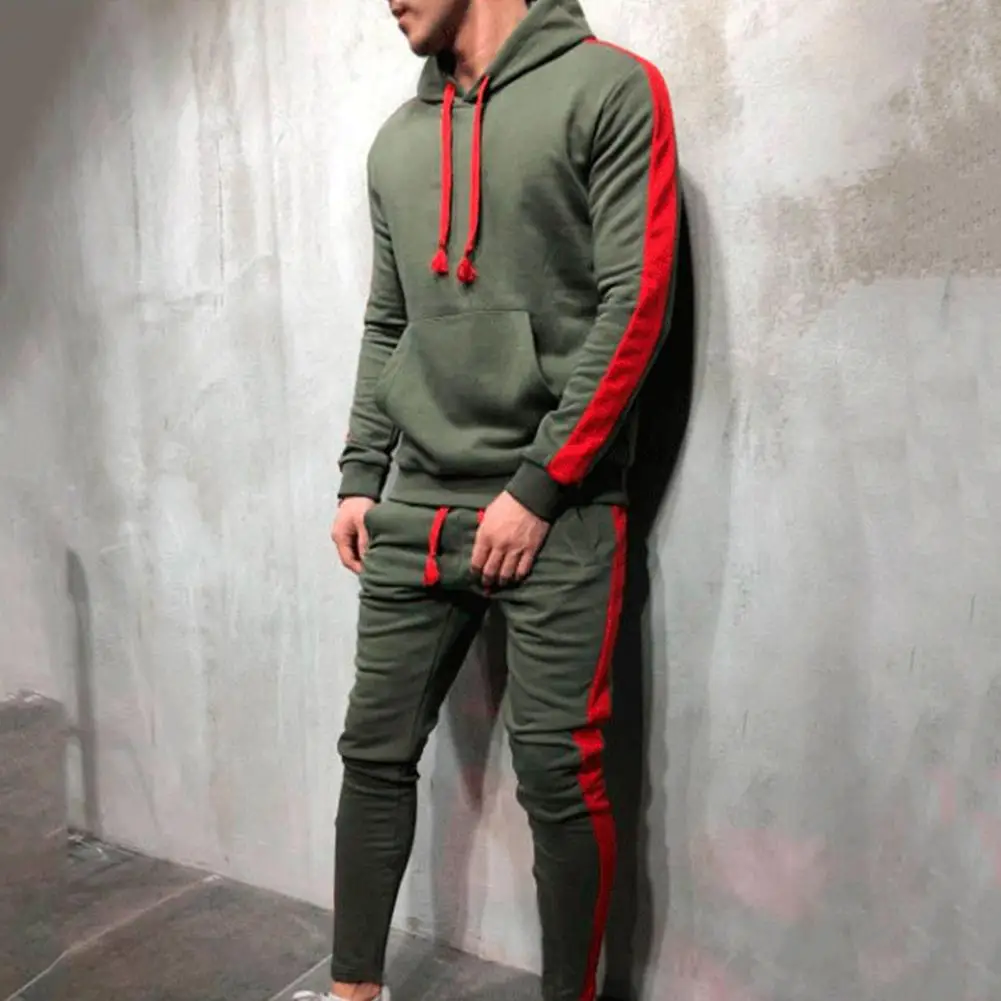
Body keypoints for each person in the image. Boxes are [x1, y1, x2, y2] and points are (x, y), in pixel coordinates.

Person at [304, 0, 678, 998]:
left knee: (557, 775)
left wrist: (539, 485)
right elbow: (388, 320)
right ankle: (352, 989)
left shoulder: (610, 88)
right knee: (372, 752)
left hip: (557, 506)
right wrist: (360, 472)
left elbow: (635, 300)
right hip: (414, 500)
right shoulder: (397, 142)